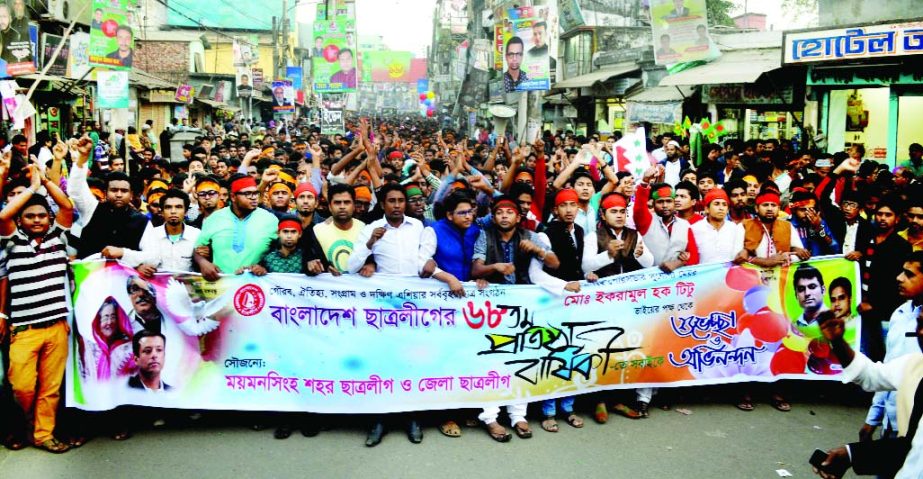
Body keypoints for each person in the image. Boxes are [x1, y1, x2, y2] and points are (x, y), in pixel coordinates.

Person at [470, 195, 560, 441]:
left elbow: (554, 263)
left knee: (521, 359)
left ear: (518, 217)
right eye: (499, 212)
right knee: (493, 361)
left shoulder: (530, 236)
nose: (504, 216)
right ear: (494, 216)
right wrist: (494, 268)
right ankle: (490, 416)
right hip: (493, 308)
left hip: (523, 307)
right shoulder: (484, 235)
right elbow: (475, 269)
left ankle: (518, 414)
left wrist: (538, 250)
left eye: (509, 212)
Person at [0, 163, 74, 454]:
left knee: (51, 387)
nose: (36, 220)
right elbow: (4, 215)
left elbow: (66, 206)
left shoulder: (59, 238)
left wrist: (45, 181)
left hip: (56, 327)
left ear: (49, 218)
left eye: (42, 215)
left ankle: (43, 434)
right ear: (21, 219)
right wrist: (32, 189)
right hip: (24, 329)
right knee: (22, 386)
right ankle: (30, 422)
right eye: (29, 216)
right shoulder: (11, 242)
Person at [345, 183, 425, 446]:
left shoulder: (418, 227)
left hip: (414, 304)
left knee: (411, 361)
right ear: (382, 204)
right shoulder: (371, 229)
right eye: (391, 201)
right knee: (383, 361)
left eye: (401, 200)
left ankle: (412, 417)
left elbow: (423, 261)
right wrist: (370, 246)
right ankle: (379, 419)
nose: (397, 205)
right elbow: (350, 266)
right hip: (383, 306)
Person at [813, 300, 923, 479]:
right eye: (920, 323)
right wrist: (838, 342)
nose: (921, 332)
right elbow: (870, 375)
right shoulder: (915, 365)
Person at [858, 252, 923, 445]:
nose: (899, 278)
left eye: (909, 274)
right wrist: (873, 419)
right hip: (890, 422)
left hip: (915, 428)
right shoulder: (900, 314)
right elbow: (887, 371)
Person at [538, 189, 588, 433]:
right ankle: (548, 410)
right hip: (553, 302)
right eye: (564, 205)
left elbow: (579, 264)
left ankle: (568, 406)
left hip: (575, 302)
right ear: (555, 210)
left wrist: (586, 275)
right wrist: (563, 285)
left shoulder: (579, 231)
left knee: (574, 352)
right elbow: (535, 273)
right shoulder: (545, 236)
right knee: (553, 355)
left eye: (573, 205)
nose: (569, 210)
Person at [194, 174, 279, 282]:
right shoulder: (214, 218)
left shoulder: (270, 220)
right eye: (247, 194)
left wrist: (265, 268)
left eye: (255, 193)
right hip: (220, 287)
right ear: (233, 197)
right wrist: (203, 263)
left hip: (256, 288)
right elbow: (197, 249)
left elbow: (281, 252)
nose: (253, 197)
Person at [119, 189, 201, 274]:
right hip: (156, 285)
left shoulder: (196, 235)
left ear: (186, 212)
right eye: (168, 207)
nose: (173, 211)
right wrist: (138, 267)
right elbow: (136, 259)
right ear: (162, 212)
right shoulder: (150, 235)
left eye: (178, 207)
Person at [80, 297, 134, 382]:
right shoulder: (89, 349)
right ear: (98, 321)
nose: (109, 322)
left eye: (113, 317)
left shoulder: (129, 350)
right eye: (105, 317)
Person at [314, 183, 365, 274]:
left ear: (354, 206)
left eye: (347, 202)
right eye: (337, 202)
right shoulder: (317, 231)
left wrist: (371, 264)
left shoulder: (364, 229)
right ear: (330, 207)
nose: (342, 207)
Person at [690, 188, 744, 265]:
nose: (721, 208)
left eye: (724, 205)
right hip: (703, 275)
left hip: (730, 275)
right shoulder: (694, 229)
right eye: (716, 204)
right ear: (707, 209)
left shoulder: (734, 228)